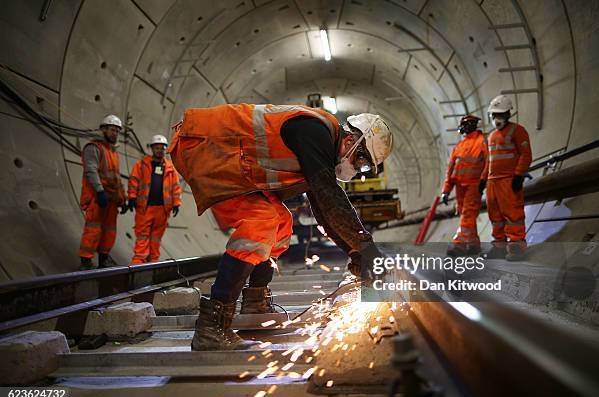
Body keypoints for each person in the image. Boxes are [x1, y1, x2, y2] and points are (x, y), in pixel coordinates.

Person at [169, 104, 394, 351]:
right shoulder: (314, 131)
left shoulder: (322, 145)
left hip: (230, 159)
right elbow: (330, 199)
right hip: (204, 145)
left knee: (281, 223)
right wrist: (367, 250)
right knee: (261, 221)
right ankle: (211, 327)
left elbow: (323, 209)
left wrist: (355, 253)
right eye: (361, 160)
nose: (358, 168)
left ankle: (255, 301)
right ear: (351, 139)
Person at [481, 95, 532, 261]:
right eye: (495, 115)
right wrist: (483, 179)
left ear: (508, 114)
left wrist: (519, 174)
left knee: (513, 213)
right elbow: (489, 160)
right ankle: (499, 246)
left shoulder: (517, 131)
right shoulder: (491, 136)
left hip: (508, 180)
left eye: (501, 115)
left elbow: (525, 154)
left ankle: (517, 246)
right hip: (492, 182)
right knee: (495, 216)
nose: (497, 119)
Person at [78, 115, 128, 270]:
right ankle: (85, 261)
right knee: (93, 229)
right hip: (97, 197)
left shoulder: (112, 151)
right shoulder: (94, 148)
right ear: (103, 130)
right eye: (112, 130)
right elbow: (91, 171)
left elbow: (116, 178)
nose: (115, 134)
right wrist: (99, 191)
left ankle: (104, 259)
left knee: (109, 231)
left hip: (111, 200)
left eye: (117, 131)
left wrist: (123, 198)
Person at [127, 135, 182, 264]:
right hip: (145, 208)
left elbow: (175, 187)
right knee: (142, 237)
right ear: (152, 149)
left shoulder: (170, 169)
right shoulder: (142, 165)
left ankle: (153, 263)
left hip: (162, 211)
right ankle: (138, 263)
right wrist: (132, 197)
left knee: (156, 239)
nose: (159, 150)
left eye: (162, 148)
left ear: (165, 150)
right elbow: (134, 181)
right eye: (157, 148)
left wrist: (176, 203)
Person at [441, 115, 488, 256]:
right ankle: (473, 245)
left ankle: (459, 245)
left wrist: (483, 180)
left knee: (468, 213)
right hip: (460, 187)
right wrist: (446, 190)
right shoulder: (459, 146)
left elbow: (488, 162)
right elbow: (450, 170)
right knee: (465, 214)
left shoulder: (482, 142)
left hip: (474, 185)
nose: (465, 127)